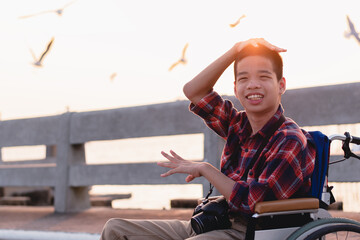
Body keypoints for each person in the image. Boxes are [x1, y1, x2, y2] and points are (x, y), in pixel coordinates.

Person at [99, 38, 316, 240]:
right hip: (218, 221)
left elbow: (253, 202)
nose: (253, 85)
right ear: (235, 88)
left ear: (281, 85)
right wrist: (235, 50)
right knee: (116, 229)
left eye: (264, 77)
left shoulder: (290, 139)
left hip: (257, 232)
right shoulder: (238, 125)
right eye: (244, 78)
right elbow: (193, 91)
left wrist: (206, 169)